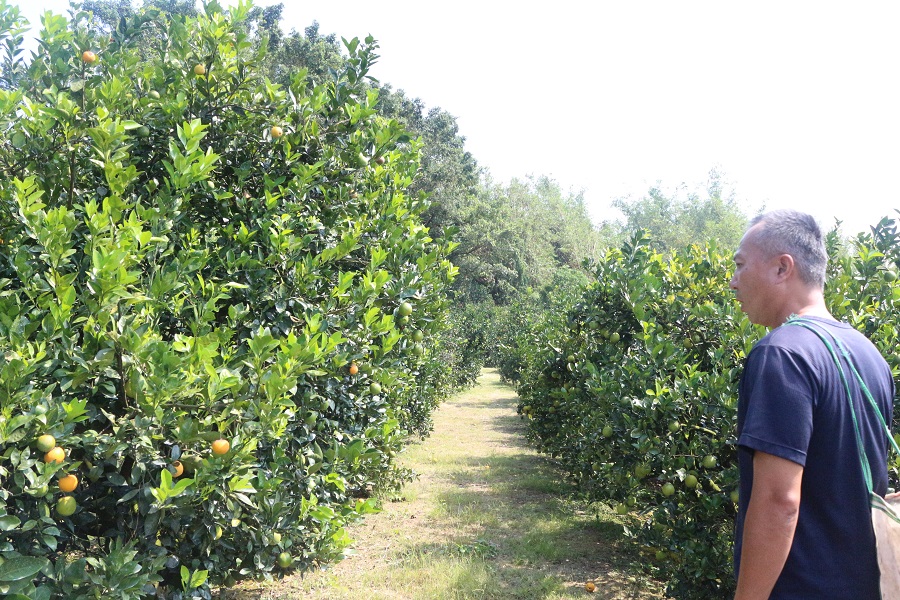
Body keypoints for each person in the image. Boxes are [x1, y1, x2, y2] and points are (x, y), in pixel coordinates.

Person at [730, 209, 895, 599]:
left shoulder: (781, 354)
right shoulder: (870, 355)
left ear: (782, 268)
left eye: (740, 265)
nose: (734, 282)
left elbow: (778, 501)